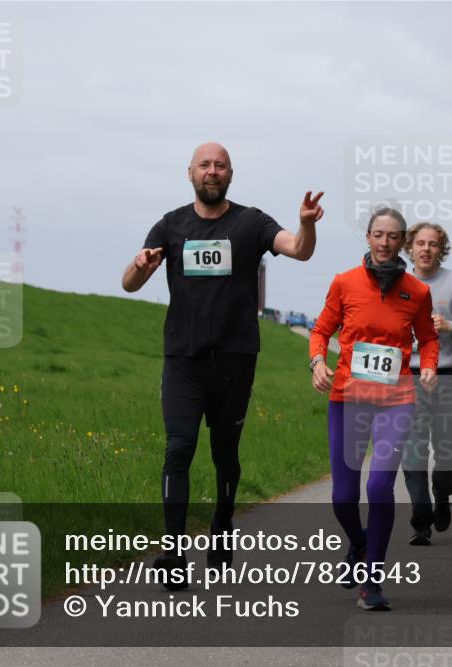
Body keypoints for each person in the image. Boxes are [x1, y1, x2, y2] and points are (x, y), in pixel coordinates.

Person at [122, 142, 324, 586]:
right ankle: (174, 553)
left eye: (220, 165)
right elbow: (130, 284)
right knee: (178, 448)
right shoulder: (170, 225)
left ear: (230, 174)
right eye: (205, 165)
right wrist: (140, 264)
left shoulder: (250, 222)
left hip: (234, 360)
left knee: (224, 454)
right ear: (190, 173)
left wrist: (306, 225)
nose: (212, 171)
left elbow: (298, 249)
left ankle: (223, 521)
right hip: (183, 358)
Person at [309, 208, 439, 611]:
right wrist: (317, 361)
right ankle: (360, 543)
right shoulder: (344, 283)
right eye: (378, 234)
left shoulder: (417, 291)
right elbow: (321, 331)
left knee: (379, 487)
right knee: (343, 497)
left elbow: (428, 338)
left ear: (403, 242)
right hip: (347, 399)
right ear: (368, 237)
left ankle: (372, 581)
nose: (385, 243)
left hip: (395, 401)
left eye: (393, 236)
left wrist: (429, 365)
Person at [402, 222, 452, 546]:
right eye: (420, 243)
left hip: (447, 375)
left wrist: (449, 326)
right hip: (409, 375)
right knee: (413, 448)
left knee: (445, 451)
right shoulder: (399, 283)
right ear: (409, 248)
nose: (426, 249)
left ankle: (443, 494)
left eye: (433, 244)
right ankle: (421, 519)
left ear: (442, 249)